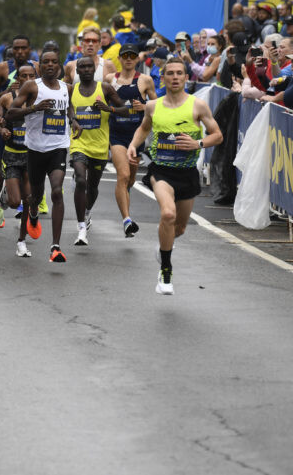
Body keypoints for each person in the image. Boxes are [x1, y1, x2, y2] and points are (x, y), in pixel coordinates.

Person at [128, 58, 222, 295]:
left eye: (180, 73)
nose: (175, 77)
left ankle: (163, 247)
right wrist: (133, 145)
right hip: (161, 171)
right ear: (163, 78)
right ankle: (166, 271)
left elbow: (217, 135)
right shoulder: (153, 106)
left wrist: (197, 143)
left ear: (186, 77)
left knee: (179, 228)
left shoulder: (197, 106)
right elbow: (144, 128)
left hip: (187, 173)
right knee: (168, 213)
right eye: (170, 73)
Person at [7, 47, 79, 263]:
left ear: (59, 65)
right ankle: (28, 223)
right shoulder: (32, 86)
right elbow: (11, 112)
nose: (50, 65)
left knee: (57, 191)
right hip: (35, 149)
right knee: (34, 197)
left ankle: (55, 247)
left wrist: (73, 120)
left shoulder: (67, 88)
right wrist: (34, 108)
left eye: (54, 61)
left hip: (58, 147)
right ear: (40, 66)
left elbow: (69, 108)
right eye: (45, 61)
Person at [67, 55, 127, 246]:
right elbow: (68, 108)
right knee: (81, 180)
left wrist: (109, 109)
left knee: (92, 186)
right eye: (82, 67)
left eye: (89, 66)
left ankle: (87, 212)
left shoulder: (105, 88)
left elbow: (125, 109)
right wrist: (73, 120)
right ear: (77, 71)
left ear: (94, 69)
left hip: (100, 146)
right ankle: (81, 227)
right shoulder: (72, 89)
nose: (86, 69)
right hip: (79, 143)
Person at [108, 43, 158, 237]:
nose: (128, 59)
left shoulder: (145, 80)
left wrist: (144, 106)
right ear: (119, 58)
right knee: (123, 175)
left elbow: (156, 106)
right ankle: (127, 220)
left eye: (132, 56)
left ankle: (125, 204)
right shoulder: (110, 79)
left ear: (137, 59)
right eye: (125, 56)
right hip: (116, 135)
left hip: (136, 137)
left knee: (129, 179)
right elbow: (101, 102)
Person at [0, 62, 37, 256]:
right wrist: (1, 128)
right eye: (23, 76)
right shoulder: (8, 98)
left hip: (31, 155)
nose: (27, 79)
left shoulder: (41, 97)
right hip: (12, 155)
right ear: (17, 78)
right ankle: (3, 196)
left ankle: (21, 242)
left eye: (31, 76)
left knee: (28, 199)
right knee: (13, 202)